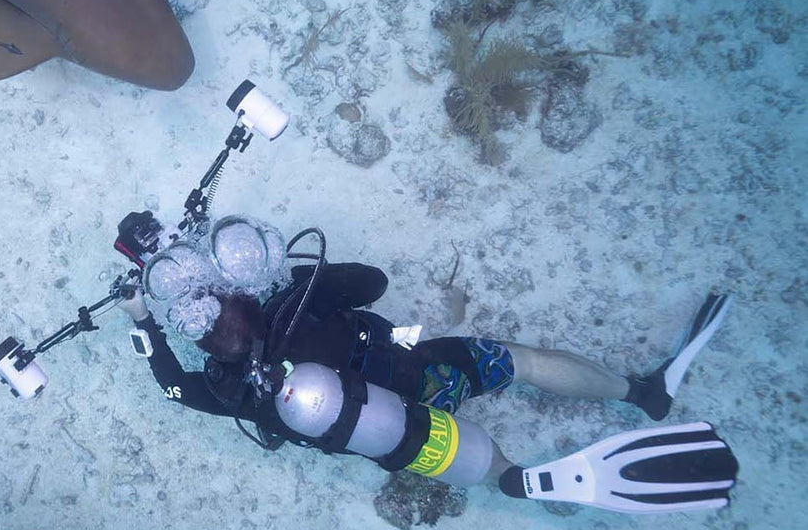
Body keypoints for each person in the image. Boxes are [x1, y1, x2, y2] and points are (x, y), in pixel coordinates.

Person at [121, 215, 738, 514]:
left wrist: (143, 323)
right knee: (522, 362)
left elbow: (171, 387)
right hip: (428, 372)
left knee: (479, 463)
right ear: (241, 287)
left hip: (402, 433)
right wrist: (294, 275)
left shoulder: (235, 391)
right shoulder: (298, 299)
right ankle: (641, 393)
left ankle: (513, 477)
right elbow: (374, 282)